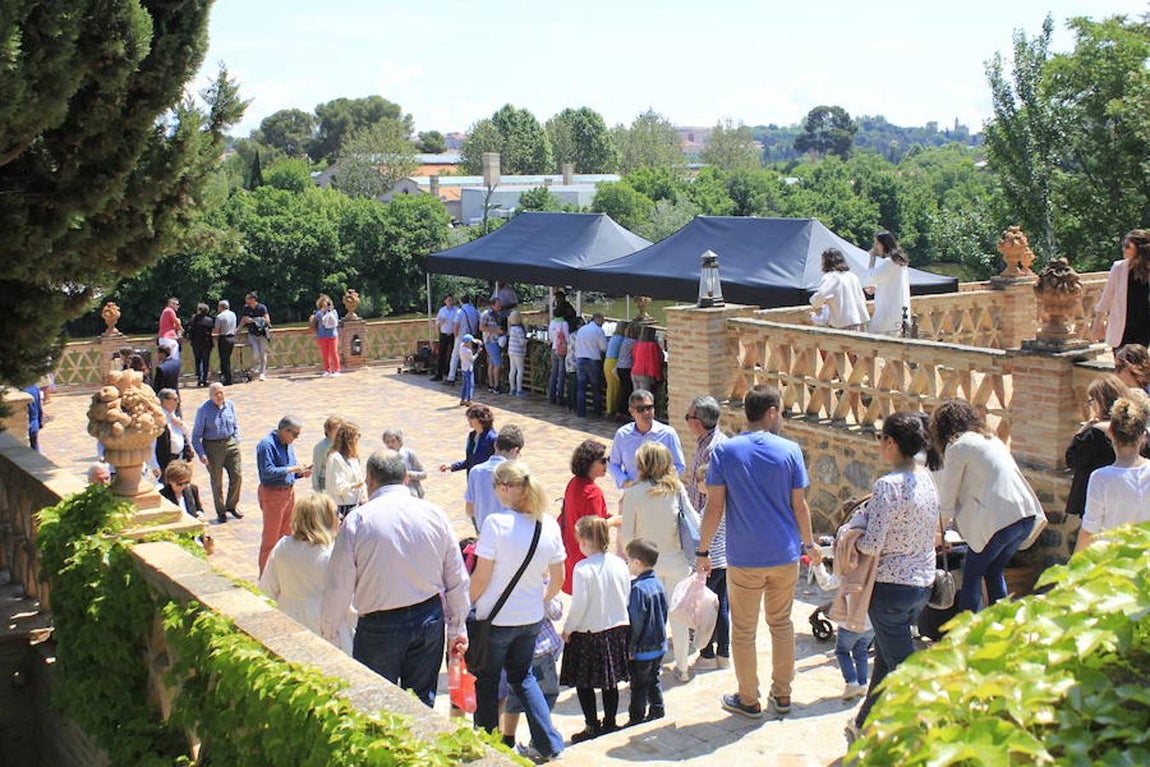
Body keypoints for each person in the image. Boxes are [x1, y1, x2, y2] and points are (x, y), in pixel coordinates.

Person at [697, 384, 821, 719]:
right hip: (784, 554)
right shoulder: (790, 450)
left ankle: (748, 697)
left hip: (745, 558)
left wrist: (703, 550)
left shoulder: (725, 452)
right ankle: (782, 695)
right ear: (770, 412)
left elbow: (714, 507)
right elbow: (800, 506)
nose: (781, 417)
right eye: (780, 411)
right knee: (781, 625)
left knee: (744, 630)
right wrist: (810, 544)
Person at [321, 450, 470, 707]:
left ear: (369, 479)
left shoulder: (358, 520)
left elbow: (339, 586)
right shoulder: (434, 514)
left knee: (375, 706)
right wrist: (457, 626)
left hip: (380, 624)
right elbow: (456, 577)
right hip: (428, 618)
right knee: (422, 703)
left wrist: (330, 635)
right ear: (405, 478)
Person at [847, 412, 938, 738]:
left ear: (891, 442)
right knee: (886, 660)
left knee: (902, 669)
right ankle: (863, 723)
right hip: (922, 585)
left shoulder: (887, 486)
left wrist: (851, 533)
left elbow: (872, 545)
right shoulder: (927, 478)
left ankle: (923, 734)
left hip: (890, 590)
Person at [468, 460, 565, 762]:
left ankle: (487, 744)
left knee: (487, 680)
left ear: (506, 487)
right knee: (523, 678)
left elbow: (481, 578)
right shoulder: (547, 523)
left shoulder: (496, 525)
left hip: (496, 619)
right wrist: (541, 598)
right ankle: (548, 742)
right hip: (531, 617)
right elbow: (559, 577)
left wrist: (464, 606)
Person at [929, 399, 1045, 614]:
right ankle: (1001, 627)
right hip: (1025, 515)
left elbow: (947, 498)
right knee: (993, 571)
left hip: (998, 521)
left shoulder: (958, 446)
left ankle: (967, 634)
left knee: (972, 574)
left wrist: (941, 532)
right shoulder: (992, 440)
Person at [617, 442, 697, 683]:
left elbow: (627, 534)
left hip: (646, 564)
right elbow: (693, 520)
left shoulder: (633, 493)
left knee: (647, 619)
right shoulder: (677, 490)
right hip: (676, 562)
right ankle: (682, 666)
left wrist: (632, 560)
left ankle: (650, 666)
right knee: (678, 618)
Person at [561, 516, 631, 743]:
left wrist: (568, 628)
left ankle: (592, 725)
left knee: (584, 683)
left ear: (584, 540)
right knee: (610, 682)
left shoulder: (582, 569)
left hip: (589, 633)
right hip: (616, 630)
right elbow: (626, 594)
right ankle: (610, 722)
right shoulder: (620, 563)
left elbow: (579, 605)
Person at [260, 491, 352, 653]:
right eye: (336, 513)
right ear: (325, 519)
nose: (341, 518)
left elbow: (266, 589)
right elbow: (348, 601)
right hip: (325, 626)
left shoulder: (282, 547)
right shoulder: (333, 554)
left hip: (288, 619)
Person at [684, 396, 730, 671]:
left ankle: (709, 653)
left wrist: (701, 549)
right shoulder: (711, 443)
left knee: (706, 604)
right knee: (721, 603)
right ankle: (723, 653)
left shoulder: (713, 450)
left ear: (697, 422)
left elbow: (714, 501)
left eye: (688, 417)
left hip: (710, 548)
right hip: (722, 550)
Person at [1077, 391, 1150, 550]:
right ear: (1143, 436)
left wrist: (1074, 566)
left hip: (1112, 562)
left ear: (1110, 433)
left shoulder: (1100, 478)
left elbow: (1089, 530)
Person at [501, 598, 563, 750]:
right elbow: (556, 612)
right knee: (543, 697)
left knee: (515, 697)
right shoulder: (538, 586)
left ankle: (508, 741)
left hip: (512, 649)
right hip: (539, 653)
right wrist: (549, 593)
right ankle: (541, 741)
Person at [1065, 375, 1128, 518]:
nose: (1091, 405)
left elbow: (1072, 459)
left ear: (1101, 401)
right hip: (1123, 496)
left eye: (1091, 401)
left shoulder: (1095, 433)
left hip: (1096, 497)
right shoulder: (1130, 426)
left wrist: (1083, 430)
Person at [810, 559, 873, 701]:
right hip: (870, 624)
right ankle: (863, 684)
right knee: (861, 651)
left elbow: (826, 583)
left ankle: (851, 682)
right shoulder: (875, 572)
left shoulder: (848, 572)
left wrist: (817, 563)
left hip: (849, 623)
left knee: (842, 651)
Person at [256, 415, 311, 574]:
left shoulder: (288, 444)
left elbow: (288, 472)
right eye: (294, 434)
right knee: (270, 540)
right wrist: (292, 469)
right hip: (273, 494)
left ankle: (281, 574)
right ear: (284, 430)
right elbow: (267, 472)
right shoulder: (266, 445)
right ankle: (265, 577)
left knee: (286, 537)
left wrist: (301, 473)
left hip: (288, 493)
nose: (296, 438)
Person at [624, 537, 668, 725]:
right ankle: (658, 708)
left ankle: (636, 717)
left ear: (637, 562)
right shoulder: (659, 584)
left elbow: (636, 621)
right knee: (653, 678)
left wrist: (630, 647)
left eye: (628, 560)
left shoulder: (638, 590)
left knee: (639, 685)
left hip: (642, 650)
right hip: (659, 645)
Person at [561, 439, 612, 594]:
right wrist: (617, 520)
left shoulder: (573, 483)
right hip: (587, 555)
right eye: (603, 461)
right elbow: (597, 527)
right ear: (589, 463)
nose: (606, 465)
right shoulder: (593, 492)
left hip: (571, 550)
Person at [608, 389, 686, 489]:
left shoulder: (668, 434)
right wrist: (624, 481)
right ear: (631, 411)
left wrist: (663, 484)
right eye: (640, 409)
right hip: (633, 494)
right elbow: (614, 464)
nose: (646, 412)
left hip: (660, 495)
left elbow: (679, 465)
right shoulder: (622, 435)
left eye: (649, 407)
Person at [192, 382, 243, 523]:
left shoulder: (230, 405)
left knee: (237, 475)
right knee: (217, 481)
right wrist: (201, 454)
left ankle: (231, 505)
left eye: (221, 392)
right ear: (210, 396)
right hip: (213, 447)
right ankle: (221, 511)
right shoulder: (203, 410)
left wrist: (237, 438)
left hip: (231, 443)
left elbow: (235, 425)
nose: (220, 396)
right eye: (216, 394)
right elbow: (196, 436)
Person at [1091, 229, 1150, 349]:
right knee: (1120, 364)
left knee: (1137, 365)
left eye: (1127, 246)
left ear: (1139, 249)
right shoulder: (1118, 268)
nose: (1123, 249)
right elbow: (1106, 297)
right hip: (1121, 328)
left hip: (1144, 327)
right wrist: (1097, 325)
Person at [465, 425, 524, 533]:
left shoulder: (475, 471)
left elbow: (469, 510)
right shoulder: (518, 474)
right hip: (510, 533)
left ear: (495, 444)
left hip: (484, 533)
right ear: (515, 450)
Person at [864, 230, 911, 336]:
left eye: (877, 243)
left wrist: (872, 258)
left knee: (875, 344)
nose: (875, 246)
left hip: (887, 312)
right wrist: (877, 287)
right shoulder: (899, 262)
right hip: (896, 310)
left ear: (883, 244)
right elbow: (892, 282)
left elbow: (870, 277)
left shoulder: (889, 262)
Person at [810, 247, 870, 331]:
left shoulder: (832, 277)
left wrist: (815, 306)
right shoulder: (852, 276)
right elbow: (862, 298)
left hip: (844, 325)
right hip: (859, 322)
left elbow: (820, 296)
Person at [439, 404, 497, 476]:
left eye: (471, 417)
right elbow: (470, 461)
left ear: (481, 419)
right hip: (472, 479)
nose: (468, 419)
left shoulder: (492, 438)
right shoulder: (472, 435)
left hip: (485, 479)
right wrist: (452, 466)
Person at [325, 420, 365, 518]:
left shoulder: (353, 458)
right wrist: (354, 486)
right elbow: (336, 487)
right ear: (349, 439)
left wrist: (363, 493)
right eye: (357, 435)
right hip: (341, 506)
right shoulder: (335, 458)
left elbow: (360, 479)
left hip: (356, 503)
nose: (359, 438)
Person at [574, 313, 608, 418]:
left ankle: (581, 411)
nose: (603, 323)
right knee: (595, 387)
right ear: (598, 319)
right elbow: (604, 347)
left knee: (581, 387)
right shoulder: (598, 331)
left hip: (580, 359)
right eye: (602, 320)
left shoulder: (582, 329)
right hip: (593, 360)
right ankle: (597, 411)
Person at [155, 388, 193, 475]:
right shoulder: (159, 418)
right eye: (175, 399)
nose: (178, 402)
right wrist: (154, 466)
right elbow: (152, 445)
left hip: (180, 458)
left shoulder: (173, 414)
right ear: (165, 401)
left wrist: (181, 424)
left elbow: (187, 432)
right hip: (167, 461)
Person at [382, 428, 427, 499]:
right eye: (387, 442)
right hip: (394, 496)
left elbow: (424, 474)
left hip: (413, 495)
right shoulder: (384, 458)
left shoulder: (409, 454)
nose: (390, 444)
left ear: (399, 441)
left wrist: (409, 474)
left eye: (393, 441)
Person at [448, 294, 480, 385]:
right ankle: (472, 377)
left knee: (455, 356)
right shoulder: (475, 310)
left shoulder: (460, 311)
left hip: (461, 337)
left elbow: (456, 326)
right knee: (471, 357)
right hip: (472, 336)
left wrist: (455, 336)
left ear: (461, 301)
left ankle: (451, 377)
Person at [240, 291, 271, 381]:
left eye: (247, 298)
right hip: (252, 333)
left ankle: (262, 373)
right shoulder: (246, 308)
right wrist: (238, 329)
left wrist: (253, 320)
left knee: (262, 352)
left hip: (262, 333)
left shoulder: (262, 307)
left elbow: (267, 320)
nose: (245, 300)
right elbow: (243, 319)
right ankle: (256, 368)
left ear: (253, 299)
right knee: (255, 352)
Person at [310, 415, 344, 494]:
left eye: (341, 429)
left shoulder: (344, 445)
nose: (340, 432)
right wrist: (317, 491)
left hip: (341, 483)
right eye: (336, 429)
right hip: (325, 483)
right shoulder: (320, 447)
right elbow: (315, 470)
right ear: (328, 431)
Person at [310, 293, 341, 377]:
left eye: (326, 303)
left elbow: (336, 321)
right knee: (325, 354)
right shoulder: (319, 313)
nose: (325, 305)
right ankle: (327, 370)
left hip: (332, 335)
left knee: (334, 352)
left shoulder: (334, 312)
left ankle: (337, 369)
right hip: (322, 335)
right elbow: (316, 319)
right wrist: (322, 311)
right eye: (323, 304)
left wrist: (329, 310)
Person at [480, 297, 506, 394]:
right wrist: (496, 331)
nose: (499, 307)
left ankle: (491, 385)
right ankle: (496, 385)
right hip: (490, 341)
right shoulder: (486, 314)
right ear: (492, 305)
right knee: (497, 363)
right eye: (497, 305)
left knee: (491, 363)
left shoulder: (499, 314)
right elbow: (481, 327)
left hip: (496, 341)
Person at [187, 302, 216, 387]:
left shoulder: (193, 319)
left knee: (198, 361)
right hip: (207, 343)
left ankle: (199, 378)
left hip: (196, 343)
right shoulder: (209, 320)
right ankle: (204, 378)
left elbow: (190, 331)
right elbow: (211, 331)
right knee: (205, 361)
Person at [431, 294, 459, 382]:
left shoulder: (457, 310)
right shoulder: (442, 310)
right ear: (445, 301)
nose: (450, 302)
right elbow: (437, 322)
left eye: (451, 300)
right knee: (441, 354)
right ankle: (439, 374)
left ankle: (451, 373)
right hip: (444, 334)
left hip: (453, 335)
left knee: (453, 354)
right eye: (448, 300)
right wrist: (441, 322)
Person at [614, 323, 637, 421]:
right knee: (627, 391)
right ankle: (623, 412)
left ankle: (620, 411)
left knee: (624, 390)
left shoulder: (625, 340)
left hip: (620, 367)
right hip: (626, 368)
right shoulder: (633, 342)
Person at [630, 326, 663, 396]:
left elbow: (633, 356)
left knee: (636, 397)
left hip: (635, 371)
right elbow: (657, 359)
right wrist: (659, 376)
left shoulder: (637, 344)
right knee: (644, 398)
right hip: (645, 373)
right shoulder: (652, 345)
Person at [547, 310, 570, 406]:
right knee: (561, 374)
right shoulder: (564, 323)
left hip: (554, 349)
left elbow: (551, 337)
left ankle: (551, 396)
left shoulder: (552, 323)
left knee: (554, 373)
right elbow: (568, 338)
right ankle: (560, 397)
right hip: (562, 350)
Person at [603, 321, 627, 416]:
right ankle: (612, 409)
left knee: (611, 386)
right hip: (614, 362)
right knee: (615, 387)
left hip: (608, 361)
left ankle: (609, 409)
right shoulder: (622, 339)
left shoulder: (614, 337)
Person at [213, 299, 238, 386]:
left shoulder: (220, 317)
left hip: (224, 338)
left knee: (224, 360)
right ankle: (227, 377)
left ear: (221, 307)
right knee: (227, 359)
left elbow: (217, 331)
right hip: (232, 338)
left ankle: (228, 379)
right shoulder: (233, 314)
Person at [507, 310, 527, 397]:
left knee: (512, 369)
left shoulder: (511, 329)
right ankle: (519, 390)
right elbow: (522, 342)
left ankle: (512, 389)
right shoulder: (519, 330)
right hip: (518, 352)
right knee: (520, 369)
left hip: (511, 351)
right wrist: (527, 340)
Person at [158, 297, 183, 362]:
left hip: (163, 337)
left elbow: (173, 325)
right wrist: (182, 330)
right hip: (169, 338)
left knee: (165, 359)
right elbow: (176, 322)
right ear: (171, 304)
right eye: (176, 304)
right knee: (174, 358)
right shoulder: (169, 310)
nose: (178, 306)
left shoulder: (165, 311)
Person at [23, 382, 43, 452]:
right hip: (34, 423)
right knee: (34, 445)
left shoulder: (21, 391)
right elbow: (39, 407)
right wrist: (40, 422)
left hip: (26, 422)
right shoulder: (34, 388)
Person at [458, 333, 477, 406]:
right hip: (469, 369)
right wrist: (478, 353)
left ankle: (462, 399)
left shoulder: (461, 348)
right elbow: (472, 359)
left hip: (463, 368)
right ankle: (469, 400)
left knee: (464, 385)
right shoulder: (468, 351)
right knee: (470, 385)